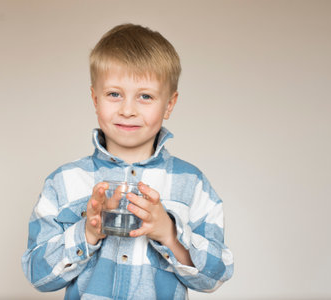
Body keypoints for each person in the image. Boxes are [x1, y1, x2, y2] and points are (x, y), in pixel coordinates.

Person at [21, 23, 234, 299]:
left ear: (169, 104)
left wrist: (169, 233)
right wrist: (86, 233)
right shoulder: (64, 181)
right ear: (95, 99)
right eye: (114, 94)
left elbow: (215, 276)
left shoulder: (193, 184)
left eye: (145, 96)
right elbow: (37, 276)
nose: (128, 110)